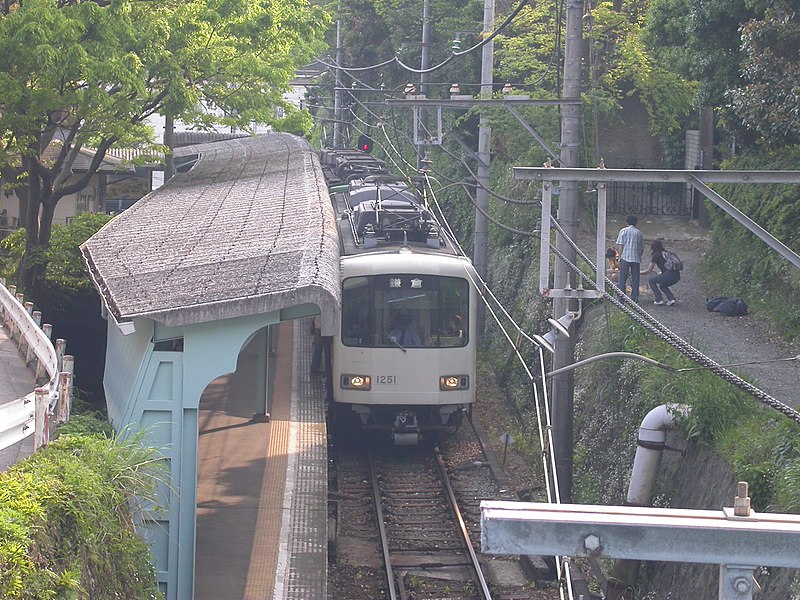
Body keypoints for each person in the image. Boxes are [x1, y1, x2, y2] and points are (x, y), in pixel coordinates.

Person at [640, 239, 680, 306]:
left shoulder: (656, 255)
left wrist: (638, 272)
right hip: (677, 276)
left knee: (652, 281)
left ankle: (659, 299)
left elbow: (648, 271)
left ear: (653, 248)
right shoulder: (666, 253)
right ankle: (671, 299)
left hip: (669, 275)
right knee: (663, 286)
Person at [615, 214, 644, 302]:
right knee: (635, 278)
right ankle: (634, 297)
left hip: (625, 257)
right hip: (635, 258)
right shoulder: (639, 233)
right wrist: (639, 256)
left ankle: (621, 297)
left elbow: (620, 245)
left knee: (622, 278)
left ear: (626, 222)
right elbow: (641, 247)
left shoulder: (623, 231)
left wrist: (620, 256)